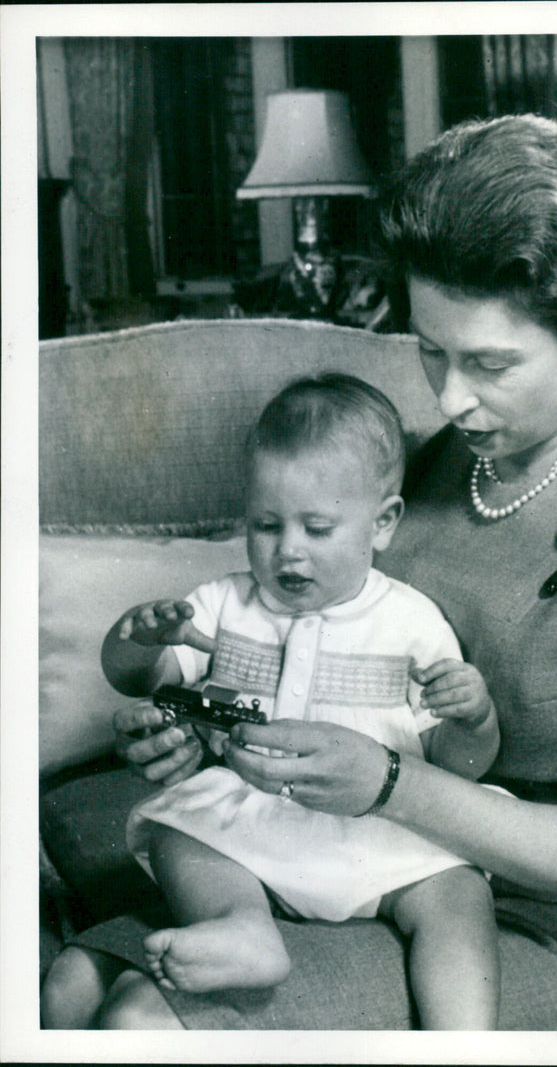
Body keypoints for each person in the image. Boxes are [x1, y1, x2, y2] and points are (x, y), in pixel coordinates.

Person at [43, 114, 557, 1031]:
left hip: (555, 923)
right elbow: (304, 645)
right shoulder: (435, 459)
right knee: (69, 987)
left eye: (491, 363)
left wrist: (387, 784)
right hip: (357, 845)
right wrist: (201, 726)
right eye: (431, 350)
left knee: (141, 1015)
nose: (450, 398)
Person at [42, 374, 501, 1030]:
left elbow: (459, 769)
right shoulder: (226, 605)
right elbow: (143, 678)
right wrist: (136, 641)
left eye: (317, 528)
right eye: (265, 524)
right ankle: (241, 928)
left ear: (383, 524)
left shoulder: (411, 623)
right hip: (257, 824)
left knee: (457, 893)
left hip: (380, 832)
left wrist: (473, 718)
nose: (288, 550)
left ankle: (463, 1039)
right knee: (180, 828)